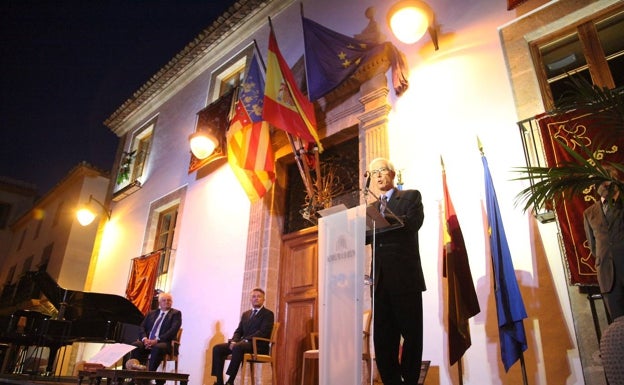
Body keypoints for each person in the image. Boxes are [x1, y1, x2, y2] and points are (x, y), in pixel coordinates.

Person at [368, 157, 425, 385]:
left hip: (405, 279)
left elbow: (413, 223)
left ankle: (410, 381)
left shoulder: (410, 196)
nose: (378, 176)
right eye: (373, 173)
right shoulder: (371, 208)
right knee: (382, 340)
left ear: (391, 173)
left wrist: (382, 219)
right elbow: (362, 236)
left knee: (411, 336)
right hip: (380, 282)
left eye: (381, 170)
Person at [584, 164, 624, 320]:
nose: (603, 185)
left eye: (606, 181)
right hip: (608, 277)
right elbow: (594, 248)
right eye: (599, 182)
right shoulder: (589, 213)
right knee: (618, 327)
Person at [211, 288, 275, 385]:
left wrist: (243, 340)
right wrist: (234, 341)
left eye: (259, 296)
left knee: (238, 347)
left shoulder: (268, 314)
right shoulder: (246, 314)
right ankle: (219, 381)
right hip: (242, 344)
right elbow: (239, 331)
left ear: (263, 299)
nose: (256, 298)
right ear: (250, 299)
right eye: (254, 296)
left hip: (258, 346)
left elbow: (263, 332)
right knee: (217, 348)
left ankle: (230, 381)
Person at [130, 292, 182, 374]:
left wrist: (157, 340)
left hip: (164, 343)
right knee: (136, 345)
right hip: (147, 341)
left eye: (169, 300)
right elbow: (142, 327)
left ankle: (149, 376)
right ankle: (135, 375)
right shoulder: (152, 313)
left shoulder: (175, 314)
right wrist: (144, 339)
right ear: (159, 302)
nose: (167, 302)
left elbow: (173, 330)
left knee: (157, 347)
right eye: (164, 300)